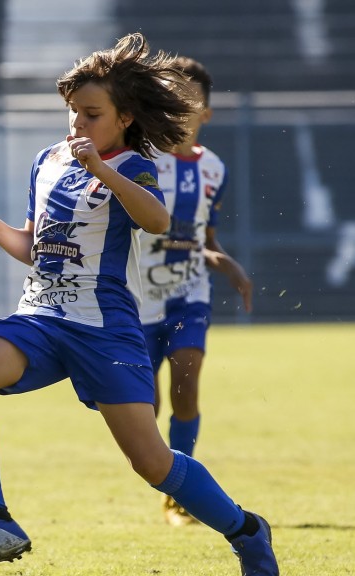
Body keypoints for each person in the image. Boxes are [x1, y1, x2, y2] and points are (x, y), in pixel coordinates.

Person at [0, 34, 278, 576]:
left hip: (103, 327)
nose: (78, 125)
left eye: (92, 114)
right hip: (41, 318)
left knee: (152, 464)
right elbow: (39, 247)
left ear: (125, 117)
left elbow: (156, 221)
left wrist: (103, 171)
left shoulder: (134, 165)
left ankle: (245, 531)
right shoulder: (47, 160)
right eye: (73, 113)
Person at [138, 57, 255, 526]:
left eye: (188, 102)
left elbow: (203, 234)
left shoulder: (214, 169)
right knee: (145, 405)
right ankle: (164, 473)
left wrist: (222, 259)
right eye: (169, 99)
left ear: (205, 113)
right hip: (133, 298)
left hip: (189, 293)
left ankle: (181, 495)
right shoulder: (140, 159)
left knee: (186, 385)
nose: (177, 109)